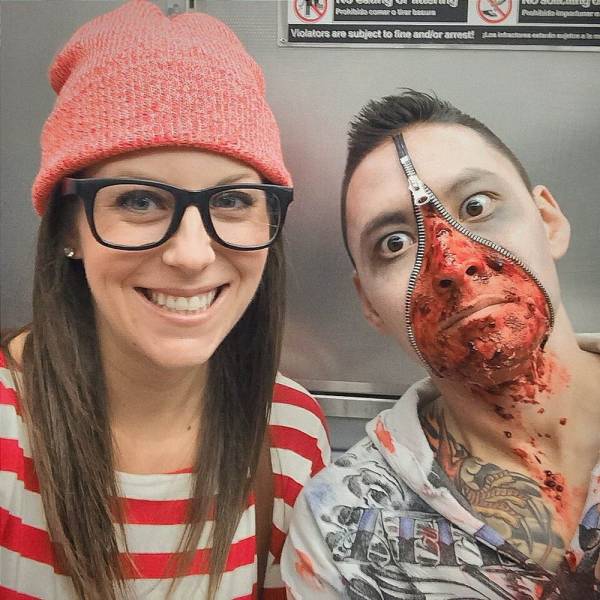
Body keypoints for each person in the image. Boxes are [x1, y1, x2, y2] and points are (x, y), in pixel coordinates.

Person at [0, 1, 330, 598]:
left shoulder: (288, 434)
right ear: (69, 227)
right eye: (139, 200)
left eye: (232, 200)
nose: (191, 254)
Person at [281, 90, 600, 598]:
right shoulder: (339, 527)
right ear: (369, 304)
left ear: (549, 222)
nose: (453, 264)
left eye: (477, 206)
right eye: (394, 243)